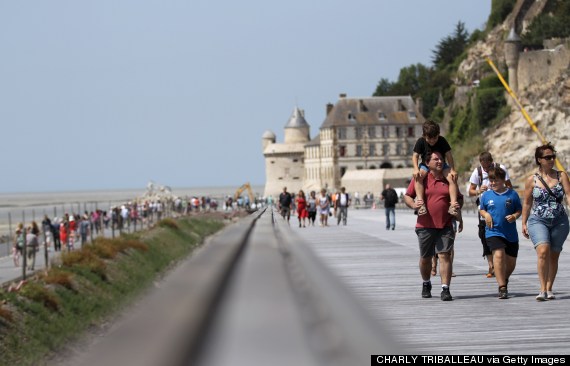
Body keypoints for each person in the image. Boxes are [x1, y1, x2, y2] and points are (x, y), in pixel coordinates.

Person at [404, 151, 462, 301]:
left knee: (445, 256)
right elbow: (407, 196)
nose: (440, 161)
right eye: (436, 159)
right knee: (426, 258)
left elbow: (459, 199)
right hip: (425, 225)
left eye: (441, 158)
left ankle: (445, 289)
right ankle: (426, 283)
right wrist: (413, 205)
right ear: (427, 163)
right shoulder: (421, 178)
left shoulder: (449, 178)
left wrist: (456, 205)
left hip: (445, 224)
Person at [521, 143, 570, 301]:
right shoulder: (532, 180)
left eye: (553, 156)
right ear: (539, 160)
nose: (551, 159)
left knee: (554, 255)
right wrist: (523, 223)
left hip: (559, 220)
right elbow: (527, 203)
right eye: (548, 157)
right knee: (543, 251)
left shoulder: (561, 176)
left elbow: (568, 196)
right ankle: (542, 289)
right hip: (538, 220)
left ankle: (549, 288)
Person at [479, 167, 522, 299]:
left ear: (503, 180)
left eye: (495, 181)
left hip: (510, 234)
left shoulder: (512, 195)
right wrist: (486, 215)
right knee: (498, 255)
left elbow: (519, 210)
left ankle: (504, 278)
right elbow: (482, 210)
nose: (492, 183)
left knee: (511, 262)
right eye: (491, 181)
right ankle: (502, 287)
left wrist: (514, 216)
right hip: (493, 231)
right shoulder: (486, 195)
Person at [468, 152, 513, 278]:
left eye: (488, 167)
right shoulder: (478, 172)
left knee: (501, 233)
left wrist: (501, 188)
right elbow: (470, 191)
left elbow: (509, 186)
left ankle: (500, 261)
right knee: (485, 235)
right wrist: (478, 191)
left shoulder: (501, 168)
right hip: (484, 208)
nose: (486, 170)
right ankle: (491, 265)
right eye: (484, 167)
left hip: (500, 206)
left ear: (492, 162)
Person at [412, 120, 459, 217]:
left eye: (435, 138)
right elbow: (415, 156)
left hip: (441, 164)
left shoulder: (442, 140)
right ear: (424, 136)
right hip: (426, 164)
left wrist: (453, 169)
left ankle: (453, 205)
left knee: (451, 178)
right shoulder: (421, 141)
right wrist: (416, 169)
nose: (433, 141)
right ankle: (421, 204)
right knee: (419, 177)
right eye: (430, 138)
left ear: (438, 135)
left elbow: (449, 155)